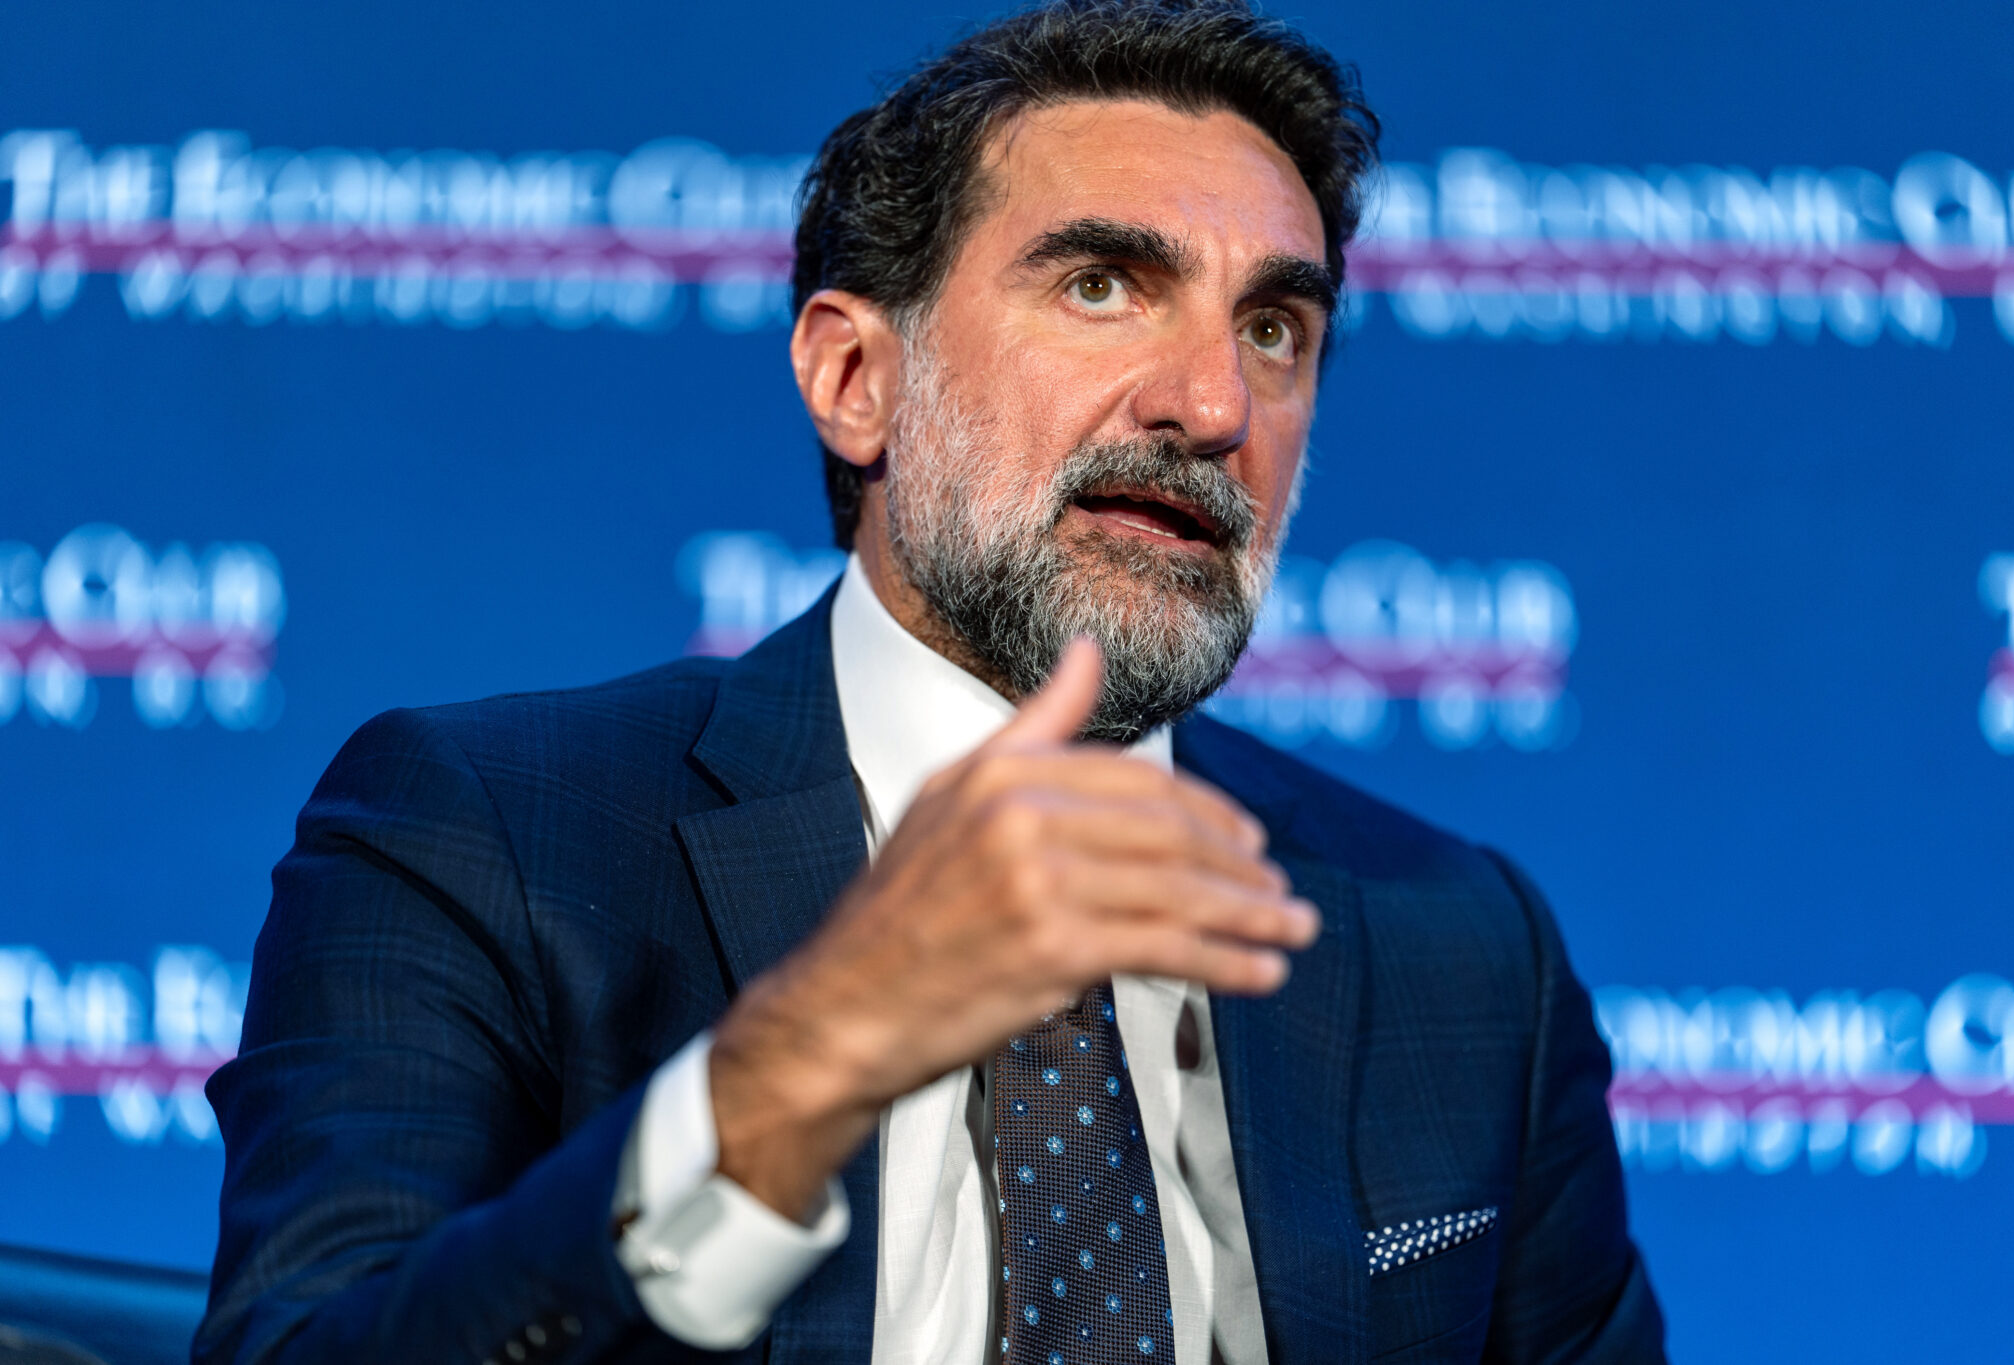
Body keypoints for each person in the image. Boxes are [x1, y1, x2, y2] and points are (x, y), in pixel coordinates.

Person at [197, 2, 1664, 1361]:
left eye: (1274, 328)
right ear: (856, 381)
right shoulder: (488, 835)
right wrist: (806, 1055)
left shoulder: (1459, 949)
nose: (1214, 405)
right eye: (1103, 286)